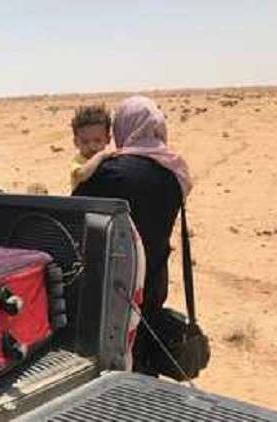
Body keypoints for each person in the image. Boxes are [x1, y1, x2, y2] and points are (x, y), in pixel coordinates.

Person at [72, 95, 193, 374]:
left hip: (115, 282)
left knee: (113, 358)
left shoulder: (109, 171)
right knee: (144, 353)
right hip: (154, 279)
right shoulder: (174, 171)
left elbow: (75, 217)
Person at [69, 104, 117, 191]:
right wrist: (100, 156)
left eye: (97, 141)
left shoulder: (107, 158)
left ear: (108, 139)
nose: (92, 147)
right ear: (76, 142)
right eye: (85, 142)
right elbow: (82, 175)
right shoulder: (78, 161)